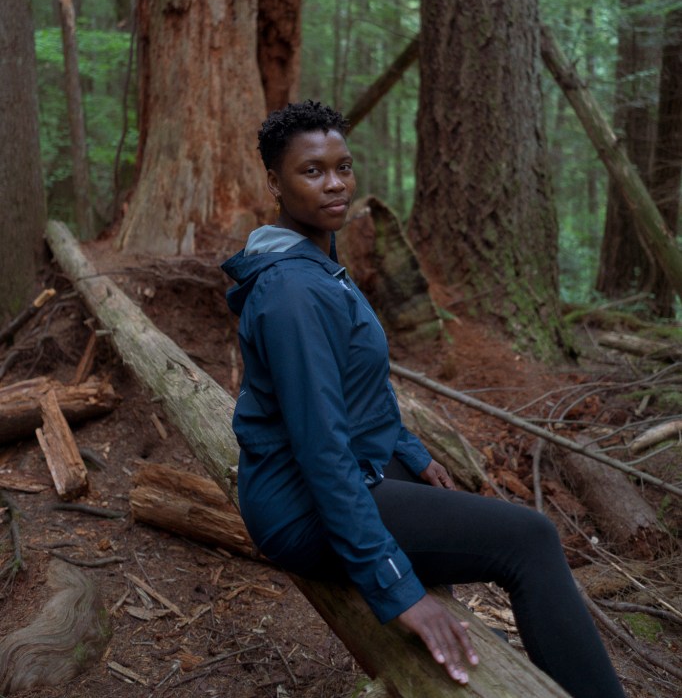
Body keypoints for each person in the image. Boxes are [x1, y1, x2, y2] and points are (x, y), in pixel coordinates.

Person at [222, 100, 626, 697]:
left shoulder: (313, 259)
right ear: (275, 183)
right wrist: (398, 589)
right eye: (312, 171)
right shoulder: (293, 293)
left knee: (447, 500)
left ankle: (493, 652)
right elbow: (321, 451)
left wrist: (408, 449)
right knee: (530, 540)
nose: (335, 184)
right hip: (298, 507)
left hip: (338, 470)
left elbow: (357, 386)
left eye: (343, 166)